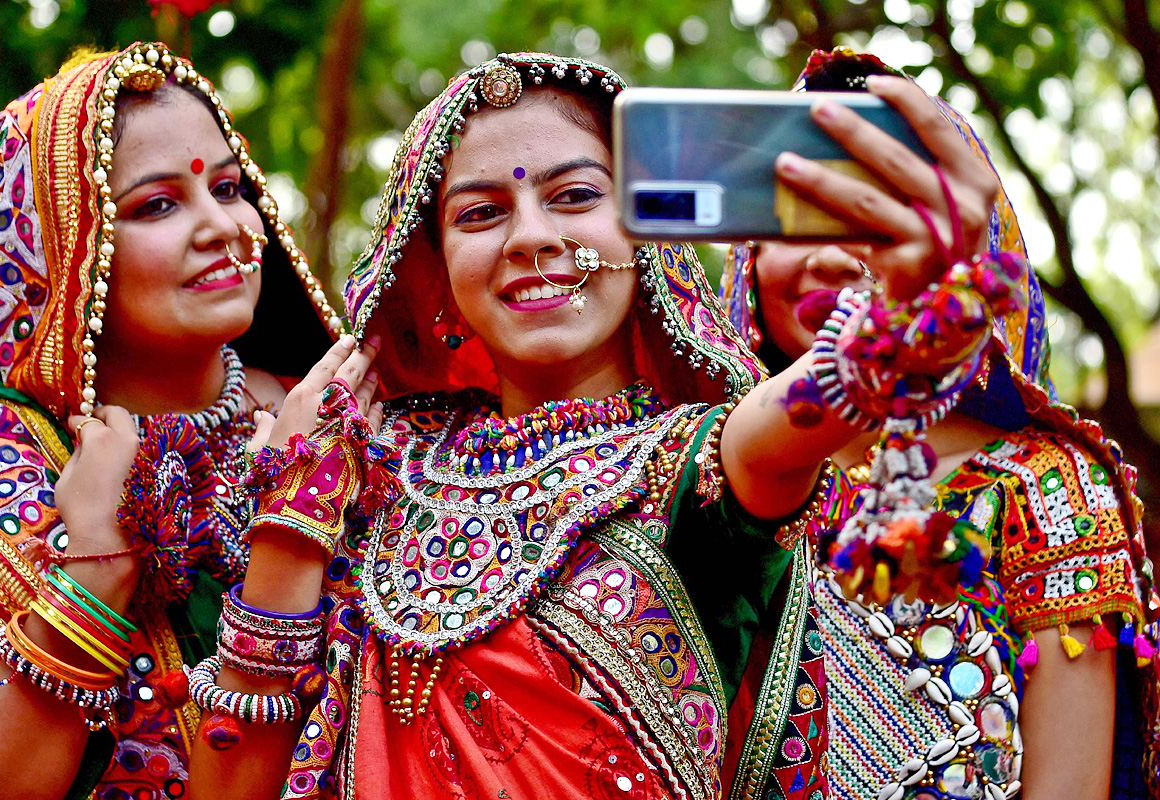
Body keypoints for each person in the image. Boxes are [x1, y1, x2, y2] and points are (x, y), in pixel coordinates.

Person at [188, 51, 1014, 800]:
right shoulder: (362, 475)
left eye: (575, 196)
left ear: (648, 234)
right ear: (435, 273)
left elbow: (815, 399)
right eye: (480, 214)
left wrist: (922, 299)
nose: (532, 237)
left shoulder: (691, 465)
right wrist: (294, 526)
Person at [720, 47, 1160, 800]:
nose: (830, 255)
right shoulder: (697, 475)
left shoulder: (1044, 491)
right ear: (747, 252)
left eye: (878, 213)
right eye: (798, 213)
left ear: (965, 242)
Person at [0, 42, 341, 799]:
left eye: (229, 188)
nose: (223, 226)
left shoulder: (332, 414)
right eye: (157, 204)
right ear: (56, 248)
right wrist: (93, 574)